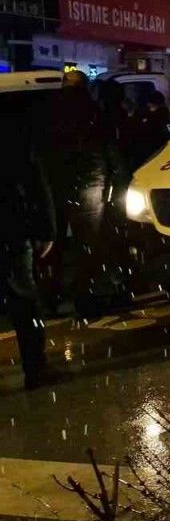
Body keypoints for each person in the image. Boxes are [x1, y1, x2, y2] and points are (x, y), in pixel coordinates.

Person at [41, 70, 109, 319]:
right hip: (87, 185)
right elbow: (105, 149)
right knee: (86, 246)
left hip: (59, 185)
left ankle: (50, 298)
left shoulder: (50, 111)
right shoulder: (92, 110)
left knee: (55, 245)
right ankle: (84, 300)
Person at [2, 102, 55, 389]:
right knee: (24, 302)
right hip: (11, 232)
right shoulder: (15, 133)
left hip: (11, 230)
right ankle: (35, 368)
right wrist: (45, 230)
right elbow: (34, 183)